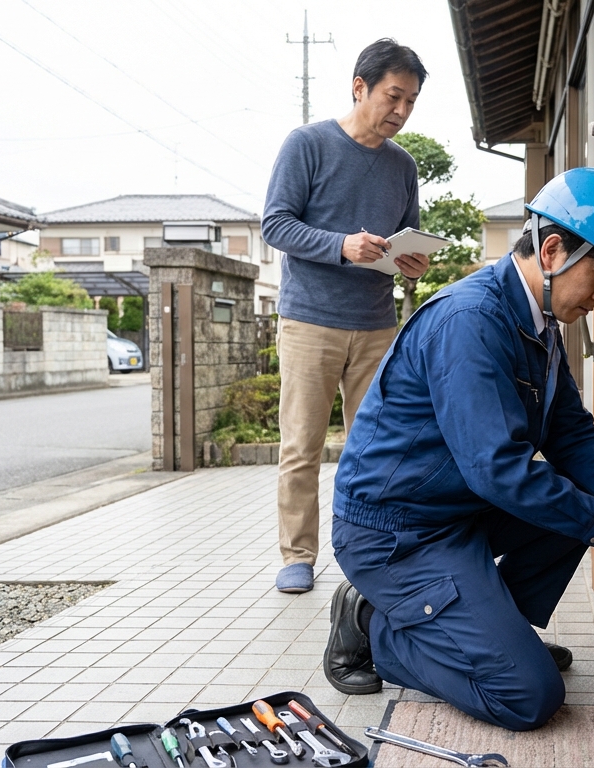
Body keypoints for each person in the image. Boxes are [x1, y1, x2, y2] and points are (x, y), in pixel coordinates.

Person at [322, 168, 594, 730]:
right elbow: (499, 471)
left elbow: (571, 433)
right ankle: (375, 625)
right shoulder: (469, 321)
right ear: (551, 251)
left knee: (578, 513)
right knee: (527, 697)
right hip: (396, 532)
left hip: (454, 511)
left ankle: (489, 640)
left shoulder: (538, 325)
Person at [261, 39, 431, 594]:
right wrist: (342, 245)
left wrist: (411, 264)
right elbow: (275, 225)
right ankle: (297, 555)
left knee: (379, 449)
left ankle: (371, 554)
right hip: (311, 320)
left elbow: (408, 251)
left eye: (410, 101)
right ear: (360, 87)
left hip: (378, 324)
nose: (401, 111)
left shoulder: (403, 167)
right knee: (302, 445)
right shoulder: (307, 144)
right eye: (393, 96)